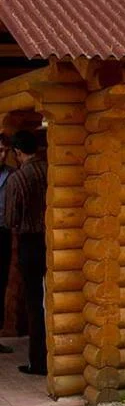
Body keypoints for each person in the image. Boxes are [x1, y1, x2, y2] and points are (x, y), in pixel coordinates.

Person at [3, 130, 46, 375]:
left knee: (33, 303)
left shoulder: (17, 179)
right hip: (58, 240)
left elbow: (10, 219)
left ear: (18, 152)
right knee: (57, 300)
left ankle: (38, 360)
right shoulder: (53, 171)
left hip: (30, 242)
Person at [0, 137, 15, 353]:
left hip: (3, 233)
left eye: (4, 151)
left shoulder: (12, 174)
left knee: (0, 284)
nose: (2, 155)